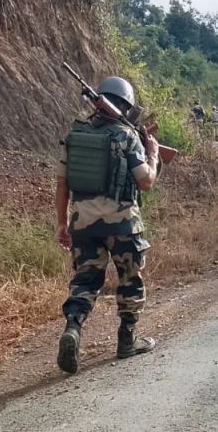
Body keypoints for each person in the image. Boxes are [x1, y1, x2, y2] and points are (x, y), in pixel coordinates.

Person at [55, 76, 161, 375]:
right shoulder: (127, 137)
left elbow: (62, 184)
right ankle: (127, 340)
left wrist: (62, 223)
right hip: (123, 224)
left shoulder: (74, 135)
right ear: (127, 106)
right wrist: (152, 153)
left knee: (85, 281)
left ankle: (73, 328)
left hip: (83, 224)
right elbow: (146, 181)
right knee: (129, 279)